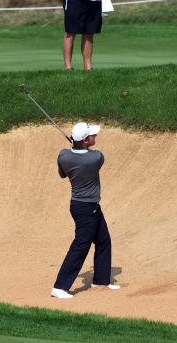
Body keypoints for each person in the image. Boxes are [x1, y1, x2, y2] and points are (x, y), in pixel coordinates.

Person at [51, 122, 120, 299]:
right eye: (92, 136)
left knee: (103, 240)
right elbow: (88, 155)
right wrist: (77, 148)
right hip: (87, 208)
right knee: (81, 246)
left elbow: (62, 174)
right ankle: (60, 287)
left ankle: (101, 280)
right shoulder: (95, 158)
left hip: (83, 206)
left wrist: (74, 149)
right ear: (86, 140)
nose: (95, 137)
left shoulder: (63, 155)